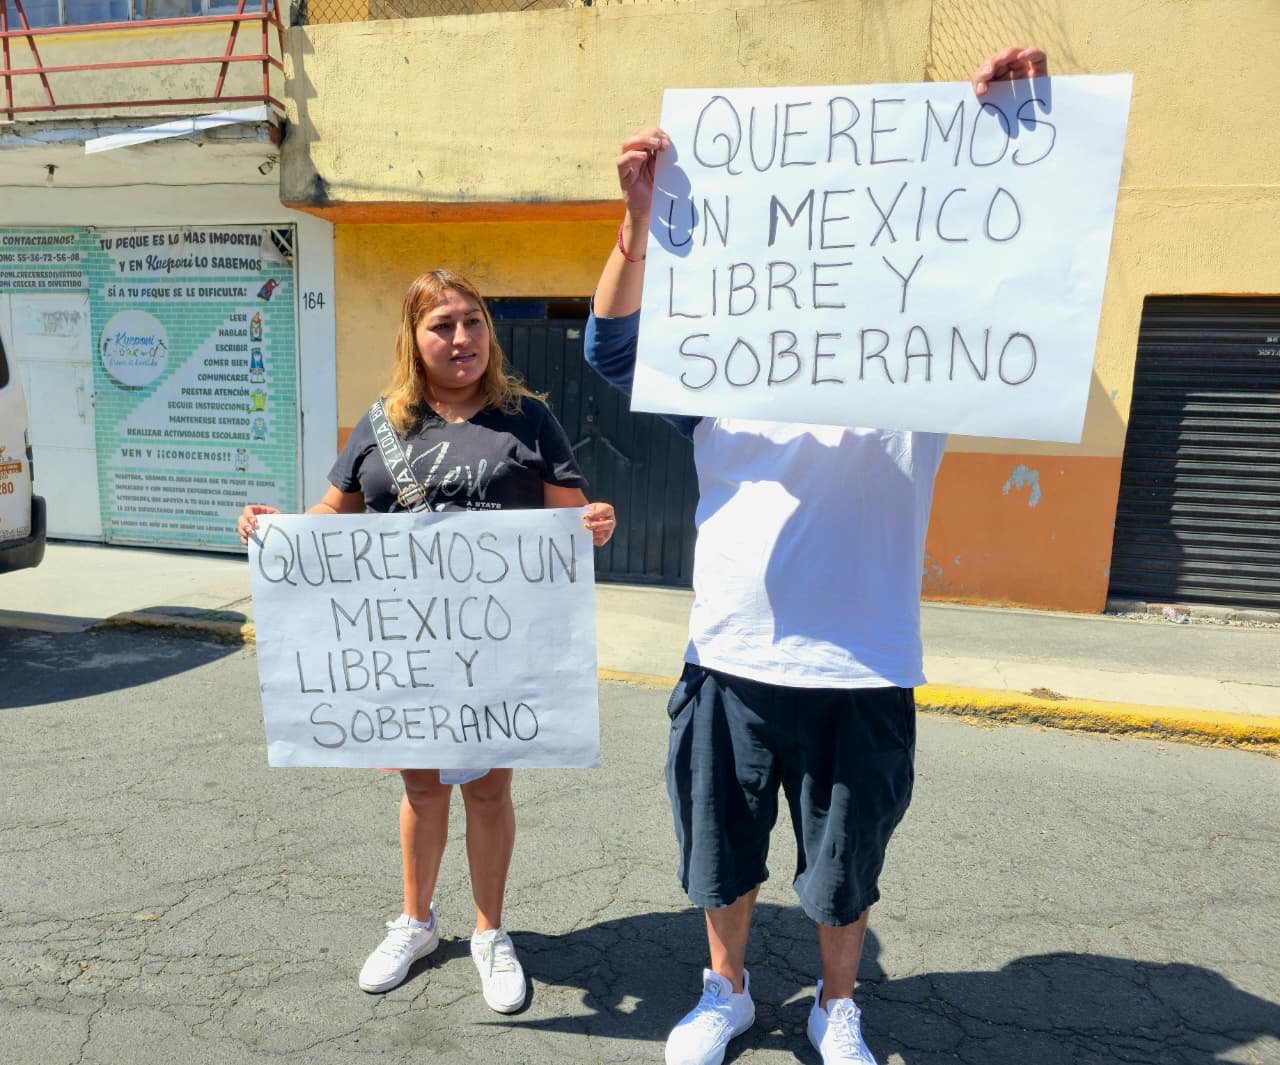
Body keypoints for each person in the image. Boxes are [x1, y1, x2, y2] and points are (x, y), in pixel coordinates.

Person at [583, 47, 1048, 1065]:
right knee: (721, 854)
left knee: (844, 864)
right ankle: (726, 993)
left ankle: (839, 1007)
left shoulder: (913, 374)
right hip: (728, 658)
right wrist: (635, 225)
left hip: (861, 663)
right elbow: (611, 352)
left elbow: (1009, 284)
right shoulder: (716, 366)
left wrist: (995, 141)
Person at [238, 269, 616, 1013]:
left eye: (473, 321)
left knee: (487, 787)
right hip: (406, 648)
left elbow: (569, 520)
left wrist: (594, 524)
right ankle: (415, 922)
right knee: (420, 784)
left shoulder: (528, 419)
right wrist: (275, 528)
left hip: (496, 649)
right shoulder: (383, 422)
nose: (462, 338)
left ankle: (488, 931)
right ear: (414, 337)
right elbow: (333, 512)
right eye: (442, 325)